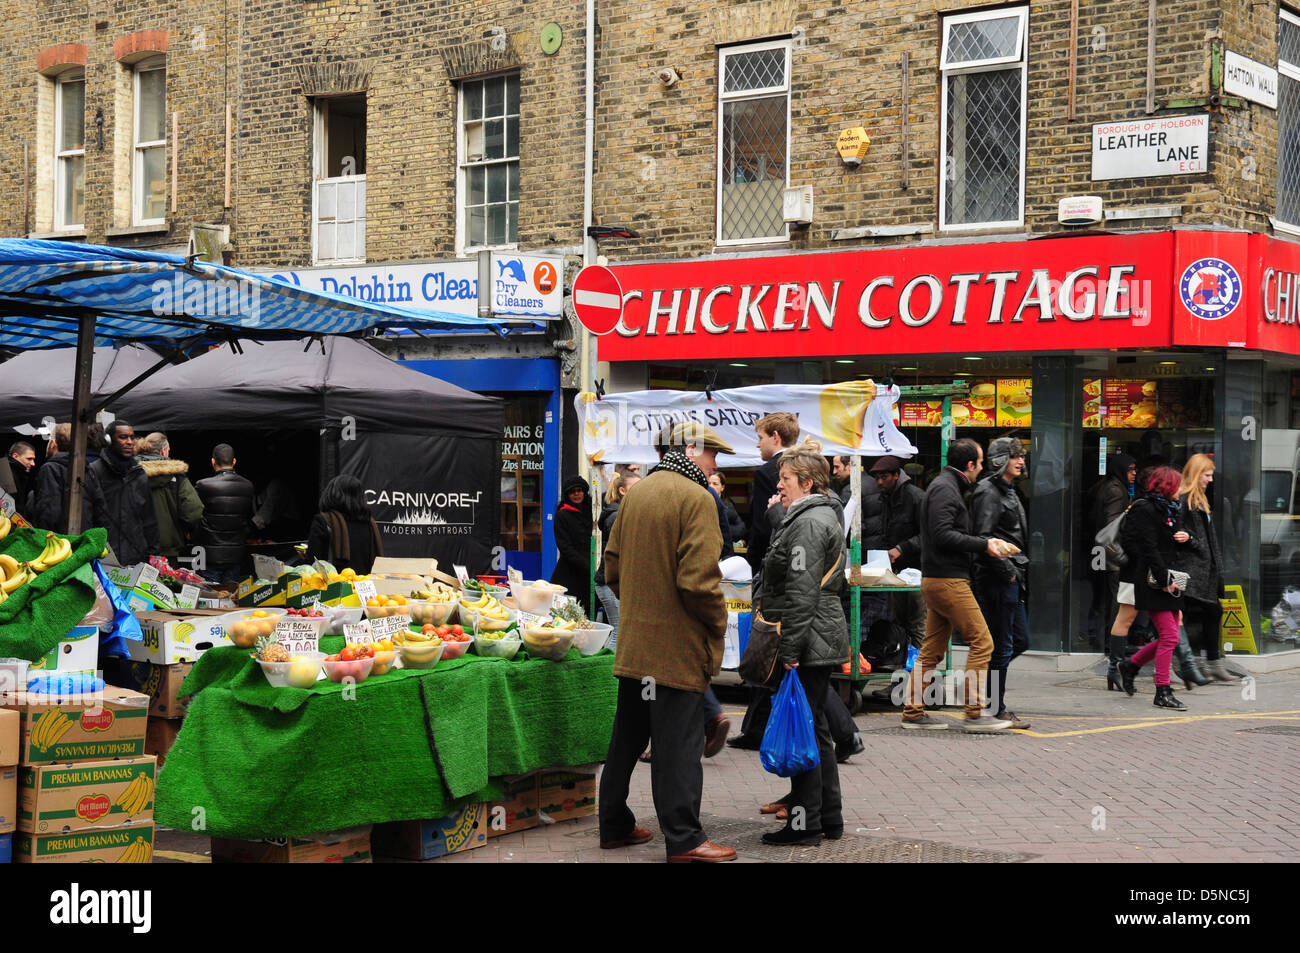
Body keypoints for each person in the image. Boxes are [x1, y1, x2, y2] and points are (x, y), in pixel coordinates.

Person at [599, 421, 737, 863]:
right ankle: (686, 839)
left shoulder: (637, 492)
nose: (715, 464)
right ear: (693, 451)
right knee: (677, 745)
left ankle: (614, 825)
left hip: (638, 643)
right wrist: (718, 622)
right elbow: (698, 582)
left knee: (627, 739)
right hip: (676, 646)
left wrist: (642, 606)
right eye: (712, 454)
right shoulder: (697, 498)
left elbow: (612, 568)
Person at [755, 440, 849, 845]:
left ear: (808, 483)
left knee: (804, 730)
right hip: (817, 633)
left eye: (787, 479)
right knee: (817, 729)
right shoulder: (811, 516)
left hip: (808, 637)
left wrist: (789, 650)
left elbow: (801, 589)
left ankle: (804, 824)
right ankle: (828, 819)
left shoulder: (810, 523)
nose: (781, 486)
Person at [902, 438, 1013, 731]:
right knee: (983, 641)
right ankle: (976, 712)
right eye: (979, 464)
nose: (981, 470)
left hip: (938, 579)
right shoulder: (945, 489)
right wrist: (984, 544)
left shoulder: (944, 487)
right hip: (948, 580)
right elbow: (942, 534)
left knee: (932, 650)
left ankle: (913, 712)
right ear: (969, 465)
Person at [1117, 465, 1195, 710]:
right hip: (1154, 581)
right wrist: (1163, 580)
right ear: (1167, 486)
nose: (1182, 490)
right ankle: (1162, 691)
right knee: (1170, 637)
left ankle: (1131, 665)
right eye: (1178, 485)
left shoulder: (1170, 509)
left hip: (1169, 577)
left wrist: (1185, 537)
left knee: (1167, 637)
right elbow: (1145, 547)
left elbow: (1169, 544)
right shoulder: (1145, 508)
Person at [972, 438, 1032, 729]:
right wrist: (1006, 569)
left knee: (1019, 640)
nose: (1020, 461)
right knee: (1003, 645)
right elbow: (983, 537)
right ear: (1000, 460)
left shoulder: (1008, 489)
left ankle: (989, 697)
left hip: (1012, 576)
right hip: (998, 578)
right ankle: (996, 707)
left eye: (1021, 456)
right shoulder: (989, 491)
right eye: (1014, 456)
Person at [1176, 454, 1236, 685]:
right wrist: (1192, 541)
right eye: (1207, 475)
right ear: (1196, 474)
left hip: (1202, 568)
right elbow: (1176, 532)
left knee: (1210, 612)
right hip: (1190, 568)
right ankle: (1187, 665)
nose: (1211, 479)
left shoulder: (1197, 498)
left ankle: (1211, 663)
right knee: (1184, 617)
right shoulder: (1183, 499)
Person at [865, 454, 927, 649]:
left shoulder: (916, 497)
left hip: (917, 571)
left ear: (896, 476)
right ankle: (903, 667)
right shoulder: (884, 499)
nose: (879, 482)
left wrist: (902, 548)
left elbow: (929, 535)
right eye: (877, 478)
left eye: (884, 477)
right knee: (898, 621)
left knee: (917, 621)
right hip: (895, 571)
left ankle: (920, 669)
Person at [86, 420, 159, 566]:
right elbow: (89, 515)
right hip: (104, 555)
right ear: (109, 440)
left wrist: (154, 552)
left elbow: (149, 517)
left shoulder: (139, 473)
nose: (130, 442)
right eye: (123, 437)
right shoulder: (95, 471)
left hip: (136, 555)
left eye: (132, 437)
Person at [1087, 453, 1137, 656]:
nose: (1134, 473)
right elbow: (1111, 528)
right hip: (1112, 557)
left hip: (1101, 554)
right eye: (1131, 469)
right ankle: (1113, 645)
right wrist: (1123, 558)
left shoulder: (1103, 486)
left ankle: (1100, 640)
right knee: (1116, 603)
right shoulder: (1116, 491)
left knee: (1101, 600)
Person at [135, 432, 204, 564]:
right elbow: (194, 512)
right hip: (168, 551)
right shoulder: (177, 477)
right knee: (167, 584)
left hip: (135, 548)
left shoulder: (129, 473)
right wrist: (185, 531)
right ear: (163, 451)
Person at [745, 412, 799, 575]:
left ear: (775, 437)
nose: (758, 444)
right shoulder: (809, 467)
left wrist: (752, 563)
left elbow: (762, 527)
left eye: (761, 438)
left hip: (773, 561)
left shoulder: (766, 473)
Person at [194, 443, 256, 586]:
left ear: (213, 462)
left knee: (210, 599)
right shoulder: (247, 486)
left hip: (208, 555)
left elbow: (194, 516)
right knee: (231, 599)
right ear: (234, 462)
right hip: (236, 553)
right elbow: (249, 518)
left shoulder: (203, 485)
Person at [594, 471, 639, 650]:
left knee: (618, 633)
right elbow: (621, 552)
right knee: (619, 634)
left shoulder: (622, 513)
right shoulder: (616, 516)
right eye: (636, 488)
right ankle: (610, 674)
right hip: (610, 583)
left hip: (611, 582)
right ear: (622, 491)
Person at [306, 475, 384, 572]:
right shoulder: (370, 524)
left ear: (331, 494)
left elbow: (313, 562)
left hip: (334, 585)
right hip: (364, 584)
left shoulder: (323, 520)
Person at [550, 475, 593, 616]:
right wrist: (587, 565)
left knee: (587, 617)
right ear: (567, 495)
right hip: (569, 574)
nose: (576, 494)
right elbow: (565, 547)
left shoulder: (593, 510)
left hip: (589, 575)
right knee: (565, 617)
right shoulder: (562, 515)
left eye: (579, 490)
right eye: (572, 491)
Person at [709, 471, 746, 544]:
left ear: (722, 487)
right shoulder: (701, 503)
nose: (711, 486)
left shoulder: (728, 506)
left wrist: (721, 530)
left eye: (715, 484)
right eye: (709, 483)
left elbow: (741, 529)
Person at [6, 442, 36, 515]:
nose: (33, 463)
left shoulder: (17, 473)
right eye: (29, 459)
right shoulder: (7, 474)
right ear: (15, 456)